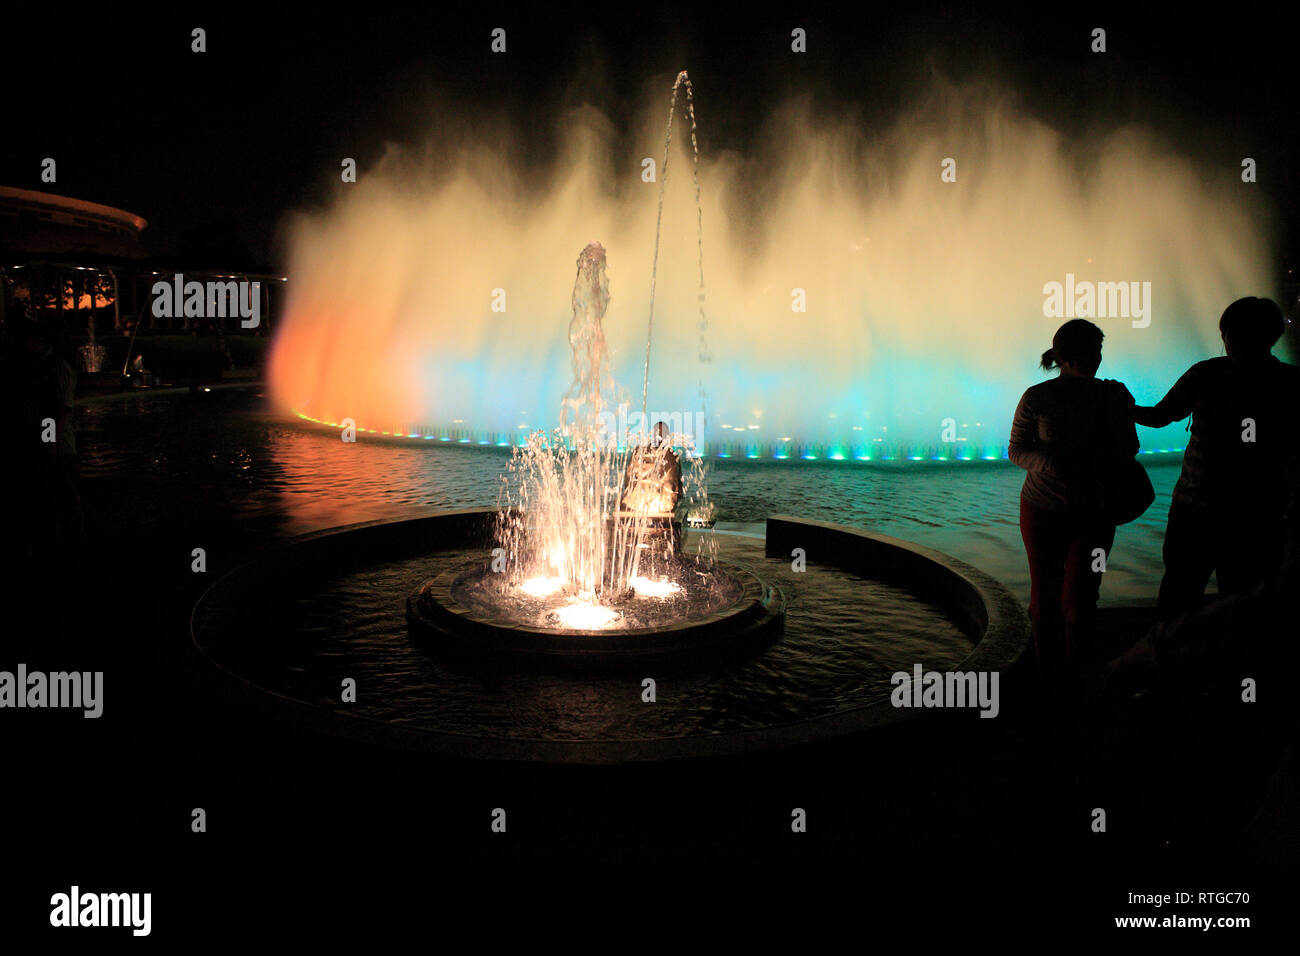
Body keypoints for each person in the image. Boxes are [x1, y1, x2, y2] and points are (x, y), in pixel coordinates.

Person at [1133, 297, 1300, 614]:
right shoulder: (1290, 383)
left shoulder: (1205, 374)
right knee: (1244, 602)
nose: (1232, 342)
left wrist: (1122, 406)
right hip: (1261, 513)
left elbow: (1160, 416)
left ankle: (1172, 657)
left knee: (1179, 595)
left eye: (1236, 334)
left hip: (1196, 510)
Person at [1009, 319, 1139, 679]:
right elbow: (1016, 450)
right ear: (1062, 357)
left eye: (1096, 352)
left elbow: (1131, 446)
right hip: (1042, 511)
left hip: (1096, 513)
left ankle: (1073, 675)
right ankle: (1051, 675)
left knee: (1084, 594)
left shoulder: (1113, 394)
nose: (1092, 359)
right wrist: (1052, 463)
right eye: (1083, 353)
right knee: (1044, 596)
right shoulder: (1036, 397)